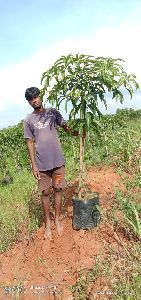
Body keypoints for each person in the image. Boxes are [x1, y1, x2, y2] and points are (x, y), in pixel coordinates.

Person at [24, 87, 79, 240]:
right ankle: (48, 223)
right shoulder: (29, 120)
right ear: (29, 102)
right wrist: (34, 165)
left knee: (58, 189)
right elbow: (29, 142)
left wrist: (78, 133)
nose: (34, 100)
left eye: (35, 96)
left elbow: (66, 127)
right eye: (31, 99)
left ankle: (57, 219)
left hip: (58, 163)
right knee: (45, 193)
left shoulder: (52, 113)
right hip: (42, 166)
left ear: (40, 96)